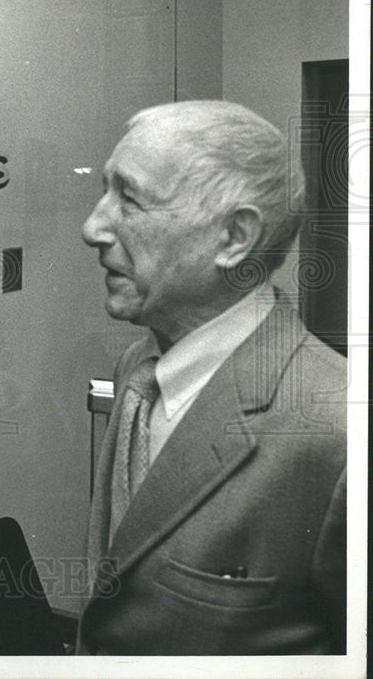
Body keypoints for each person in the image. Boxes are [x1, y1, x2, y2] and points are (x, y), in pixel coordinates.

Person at [77, 100, 346, 655]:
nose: (93, 227)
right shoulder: (139, 369)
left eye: (129, 198)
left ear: (234, 239)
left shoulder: (339, 433)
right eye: (104, 191)